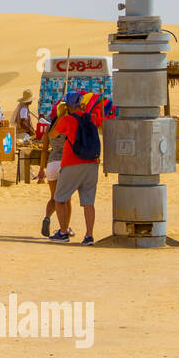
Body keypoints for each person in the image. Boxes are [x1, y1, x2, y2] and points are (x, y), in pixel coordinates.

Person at [49, 92, 102, 245]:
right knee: (88, 202)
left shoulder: (67, 119)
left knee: (59, 199)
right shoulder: (91, 118)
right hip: (92, 163)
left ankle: (63, 232)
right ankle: (89, 236)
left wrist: (61, 114)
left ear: (68, 105)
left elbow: (52, 134)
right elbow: (100, 123)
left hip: (72, 163)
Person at [36, 101, 72, 238]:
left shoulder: (49, 129)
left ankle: (47, 217)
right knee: (66, 199)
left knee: (54, 197)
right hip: (65, 164)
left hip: (51, 164)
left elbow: (44, 150)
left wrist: (41, 168)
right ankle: (65, 228)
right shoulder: (69, 127)